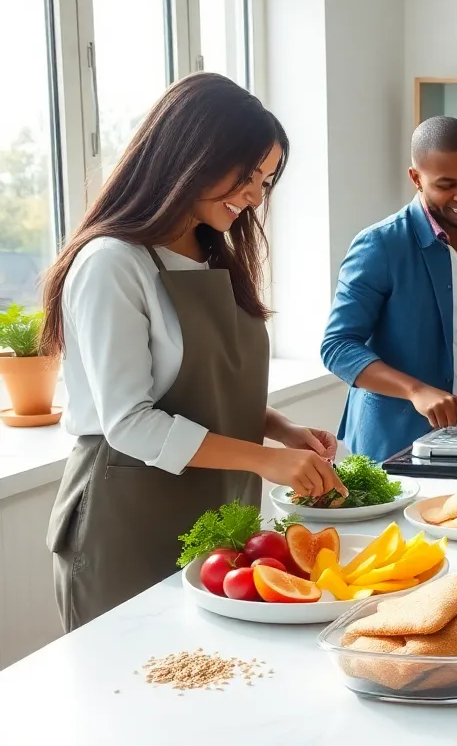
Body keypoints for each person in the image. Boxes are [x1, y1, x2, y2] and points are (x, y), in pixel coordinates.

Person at [40, 73, 343, 631]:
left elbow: (204, 388)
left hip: (218, 508)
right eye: (247, 174)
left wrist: (277, 428)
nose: (255, 195)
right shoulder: (113, 263)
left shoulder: (212, 255)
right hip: (126, 517)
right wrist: (265, 459)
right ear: (191, 153)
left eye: (266, 180)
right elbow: (130, 421)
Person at [322, 117, 457, 462]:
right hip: (393, 449)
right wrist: (415, 390)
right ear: (416, 178)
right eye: (446, 185)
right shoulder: (379, 245)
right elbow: (336, 347)